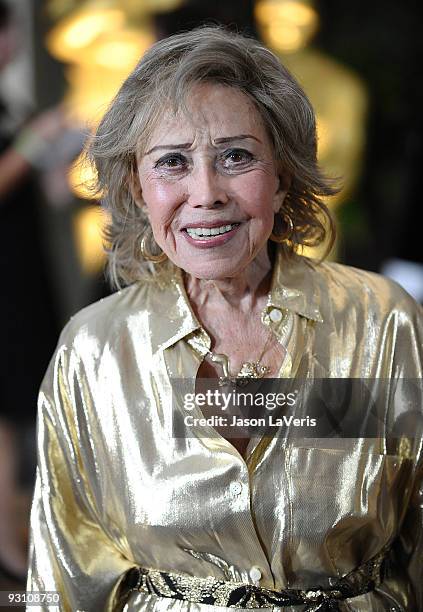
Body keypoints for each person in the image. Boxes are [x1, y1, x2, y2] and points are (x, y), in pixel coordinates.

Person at [27, 26, 422, 611]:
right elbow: (63, 578)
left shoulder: (380, 323)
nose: (206, 192)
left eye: (236, 156)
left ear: (283, 177)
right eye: (172, 163)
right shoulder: (95, 351)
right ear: (137, 188)